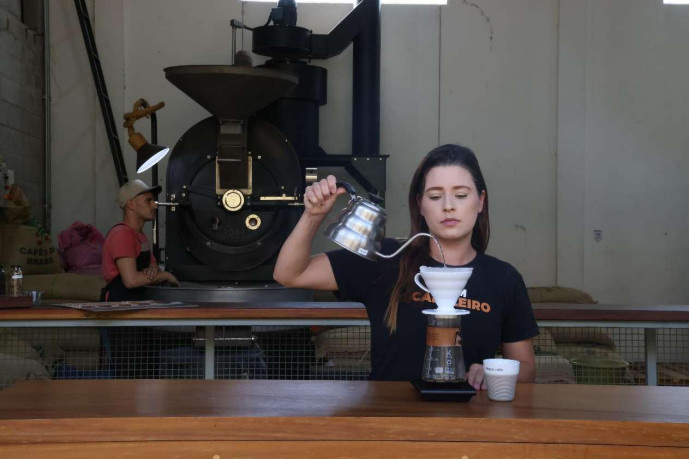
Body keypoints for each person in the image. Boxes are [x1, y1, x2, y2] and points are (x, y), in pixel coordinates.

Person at [274, 144, 538, 389]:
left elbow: (526, 368)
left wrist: (492, 372)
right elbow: (289, 274)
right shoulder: (385, 259)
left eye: (460, 195)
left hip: (471, 424)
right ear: (420, 204)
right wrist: (313, 215)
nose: (448, 206)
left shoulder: (503, 279)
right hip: (388, 423)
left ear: (480, 201)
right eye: (435, 196)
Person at [101, 179, 179, 301]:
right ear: (131, 205)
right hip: (119, 305)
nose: (155, 205)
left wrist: (152, 271)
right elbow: (131, 281)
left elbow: (154, 267)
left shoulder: (140, 235)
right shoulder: (122, 235)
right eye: (148, 201)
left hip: (137, 302)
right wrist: (167, 276)